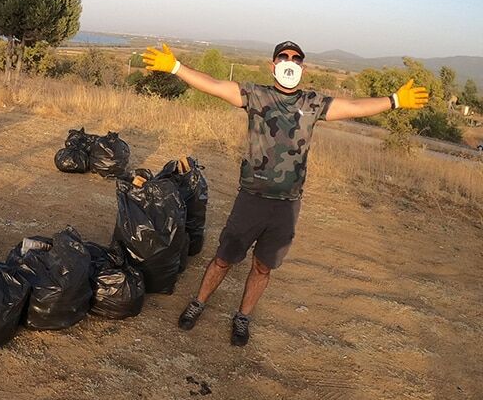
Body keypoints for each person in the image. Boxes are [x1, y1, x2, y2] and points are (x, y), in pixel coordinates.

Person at [141, 41, 429, 346]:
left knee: (263, 266)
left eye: (296, 58)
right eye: (284, 56)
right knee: (224, 258)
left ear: (302, 67)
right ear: (273, 64)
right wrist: (175, 67)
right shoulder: (257, 95)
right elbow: (213, 85)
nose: (290, 61)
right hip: (251, 198)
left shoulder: (313, 103)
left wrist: (395, 100)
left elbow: (355, 107)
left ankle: (243, 318)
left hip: (287, 206)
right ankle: (198, 302)